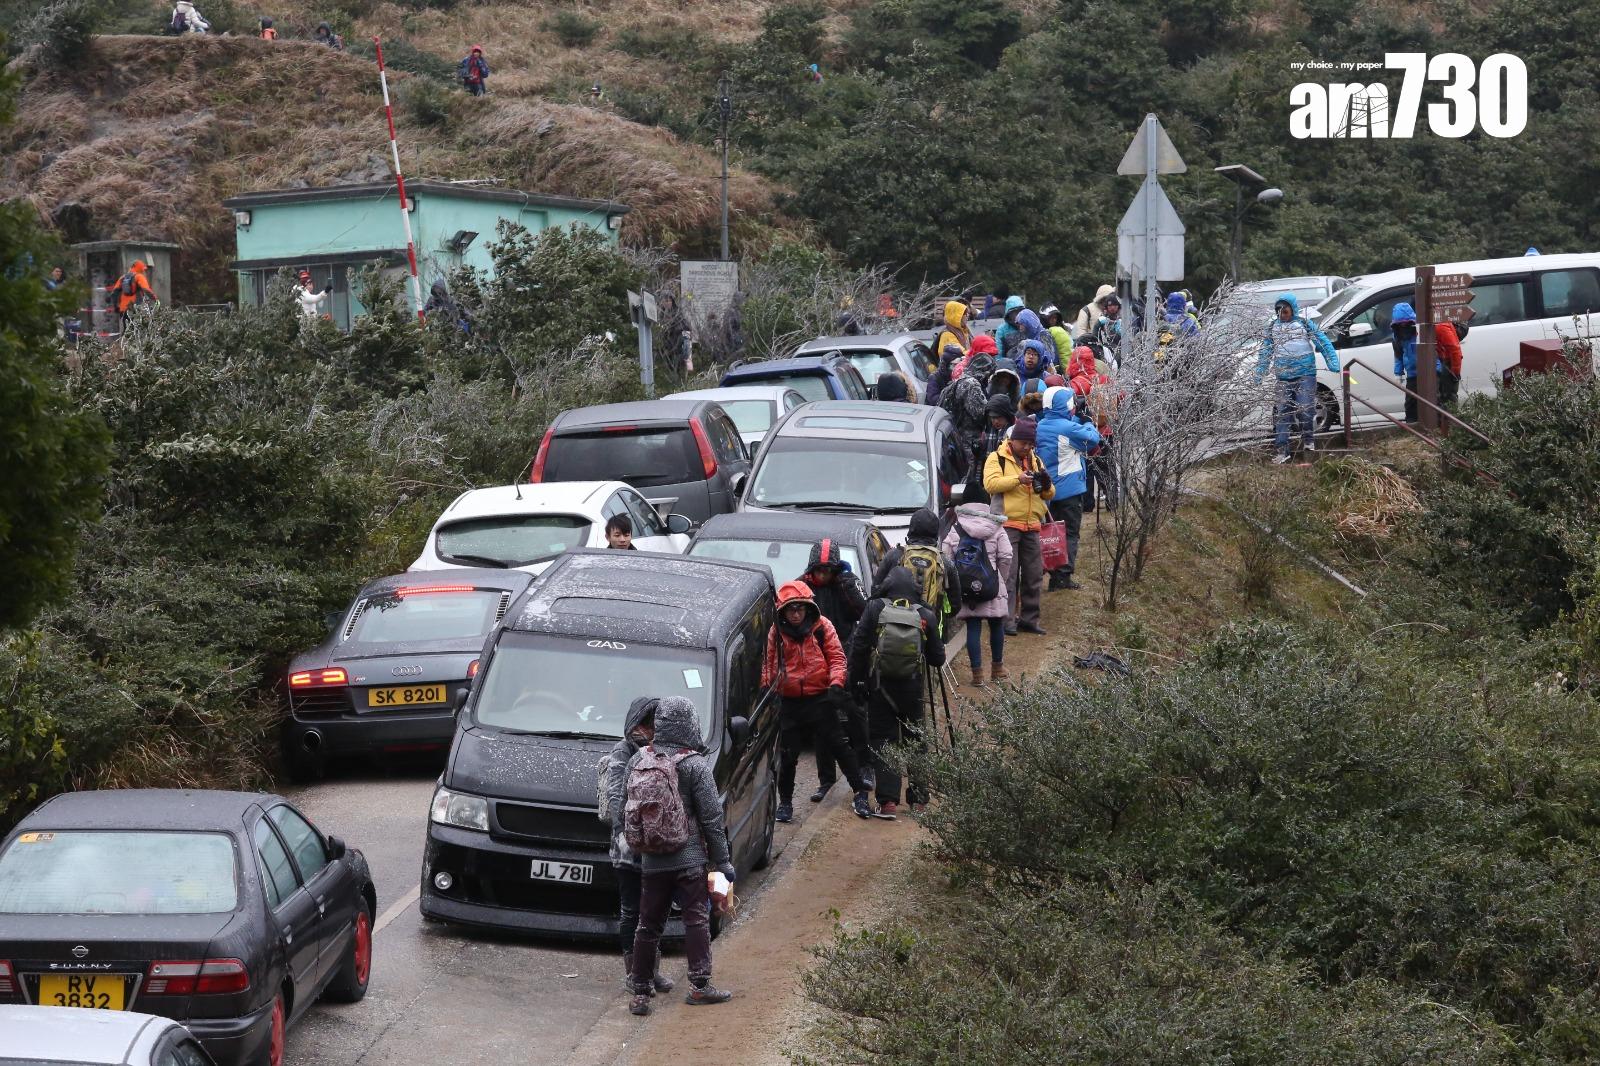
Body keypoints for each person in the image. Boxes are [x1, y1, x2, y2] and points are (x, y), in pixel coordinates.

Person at [624, 696, 736, 1014]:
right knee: (696, 920)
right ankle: (700, 986)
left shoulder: (640, 760)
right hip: (689, 861)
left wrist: (638, 848)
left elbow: (624, 809)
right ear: (690, 724)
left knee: (647, 925)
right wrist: (723, 861)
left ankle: (641, 992)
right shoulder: (694, 765)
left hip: (651, 861)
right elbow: (712, 818)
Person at [763, 582, 874, 824]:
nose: (795, 614)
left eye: (799, 609)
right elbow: (768, 665)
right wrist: (768, 690)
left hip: (820, 697)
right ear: (783, 611)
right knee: (788, 755)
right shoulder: (776, 632)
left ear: (807, 608)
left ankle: (860, 793)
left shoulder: (822, 627)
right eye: (790, 610)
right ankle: (785, 803)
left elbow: (837, 657)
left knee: (839, 746)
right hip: (789, 701)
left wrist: (835, 684)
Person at [847, 567, 945, 815]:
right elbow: (937, 658)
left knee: (883, 740)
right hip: (913, 689)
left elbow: (859, 647)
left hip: (880, 687)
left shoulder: (875, 608)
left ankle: (888, 802)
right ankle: (920, 800)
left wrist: (856, 682)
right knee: (916, 741)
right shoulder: (925, 614)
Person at [604, 698, 673, 995]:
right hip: (627, 851)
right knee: (632, 911)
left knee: (653, 913)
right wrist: (633, 835)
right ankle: (634, 973)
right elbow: (616, 801)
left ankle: (650, 971)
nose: (652, 730)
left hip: (654, 851)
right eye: (648, 724)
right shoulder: (623, 752)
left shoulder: (662, 751)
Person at [800, 541, 871, 800]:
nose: (822, 575)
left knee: (855, 716)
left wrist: (847, 584)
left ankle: (865, 766)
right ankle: (826, 779)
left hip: (847, 658)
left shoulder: (846, 585)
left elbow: (863, 611)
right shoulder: (802, 588)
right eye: (819, 570)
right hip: (817, 662)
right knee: (822, 722)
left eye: (827, 570)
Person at [984, 417, 1052, 636]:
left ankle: (1029, 619)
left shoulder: (1036, 461)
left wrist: (1046, 485)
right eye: (1024, 443)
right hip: (1007, 525)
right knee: (1008, 576)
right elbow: (991, 484)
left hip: (1032, 525)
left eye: (1031, 444)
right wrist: (1018, 479)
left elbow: (1049, 494)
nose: (1027, 448)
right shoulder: (997, 458)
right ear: (1013, 441)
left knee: (1034, 575)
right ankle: (1006, 620)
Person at [1256, 292, 1341, 462]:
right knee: (1282, 413)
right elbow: (1265, 351)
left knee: (1305, 409)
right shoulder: (1273, 327)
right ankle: (1282, 451)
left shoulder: (1304, 324)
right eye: (1278, 311)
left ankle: (1308, 441)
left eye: (1285, 310)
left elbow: (1322, 342)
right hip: (1283, 377)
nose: (1282, 314)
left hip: (1305, 375)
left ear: (1292, 309)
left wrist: (1333, 362)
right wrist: (1260, 371)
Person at [943, 491, 1012, 686]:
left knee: (973, 627)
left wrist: (956, 582)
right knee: (997, 624)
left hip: (966, 585)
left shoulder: (956, 528)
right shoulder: (996, 526)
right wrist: (1000, 579)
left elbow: (946, 557)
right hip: (992, 583)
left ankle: (977, 675)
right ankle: (997, 669)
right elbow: (1006, 555)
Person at [1036, 386, 1101, 591]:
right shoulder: (1069, 428)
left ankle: (1051, 572)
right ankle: (1062, 577)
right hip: (1069, 491)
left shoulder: (1041, 426)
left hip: (1047, 491)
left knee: (1051, 533)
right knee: (1070, 534)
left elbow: (1064, 428)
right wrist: (1088, 421)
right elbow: (1093, 439)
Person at [874, 507, 958, 638]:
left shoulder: (894, 555)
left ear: (911, 529)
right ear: (936, 533)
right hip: (931, 631)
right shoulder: (945, 562)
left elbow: (875, 591)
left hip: (893, 630)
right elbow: (955, 604)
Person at [105, 260, 157, 325]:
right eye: (143, 269)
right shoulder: (139, 276)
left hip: (123, 309)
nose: (144, 271)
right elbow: (146, 289)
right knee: (138, 330)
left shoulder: (123, 278)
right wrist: (155, 299)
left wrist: (116, 307)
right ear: (140, 268)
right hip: (135, 308)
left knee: (127, 330)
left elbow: (114, 293)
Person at [1437, 320, 1467, 407]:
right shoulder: (1442, 325)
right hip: (1448, 363)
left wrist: (1455, 373)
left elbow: (1455, 351)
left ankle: (1450, 419)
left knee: (1448, 397)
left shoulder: (1440, 326)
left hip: (1448, 364)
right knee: (1447, 397)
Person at [925, 342, 963, 407]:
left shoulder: (962, 375)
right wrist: (950, 395)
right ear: (947, 364)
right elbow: (932, 399)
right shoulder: (935, 378)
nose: (957, 367)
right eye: (954, 365)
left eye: (959, 364)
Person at [980, 394, 1015, 463]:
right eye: (993, 417)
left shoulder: (1014, 432)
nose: (996, 421)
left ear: (1007, 415)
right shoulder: (987, 430)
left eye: (999, 417)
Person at [1093, 294, 1125, 367]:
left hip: (1122, 350)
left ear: (1118, 306)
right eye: (1110, 306)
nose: (1112, 308)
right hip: (1106, 350)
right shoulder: (1101, 321)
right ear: (1106, 307)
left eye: (1115, 305)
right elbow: (1095, 337)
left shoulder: (1123, 321)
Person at [992, 295, 1026, 360]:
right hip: (1009, 365)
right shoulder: (1002, 330)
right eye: (1014, 312)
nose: (1017, 315)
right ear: (1009, 314)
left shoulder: (1028, 325)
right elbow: (999, 353)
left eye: (1020, 311)